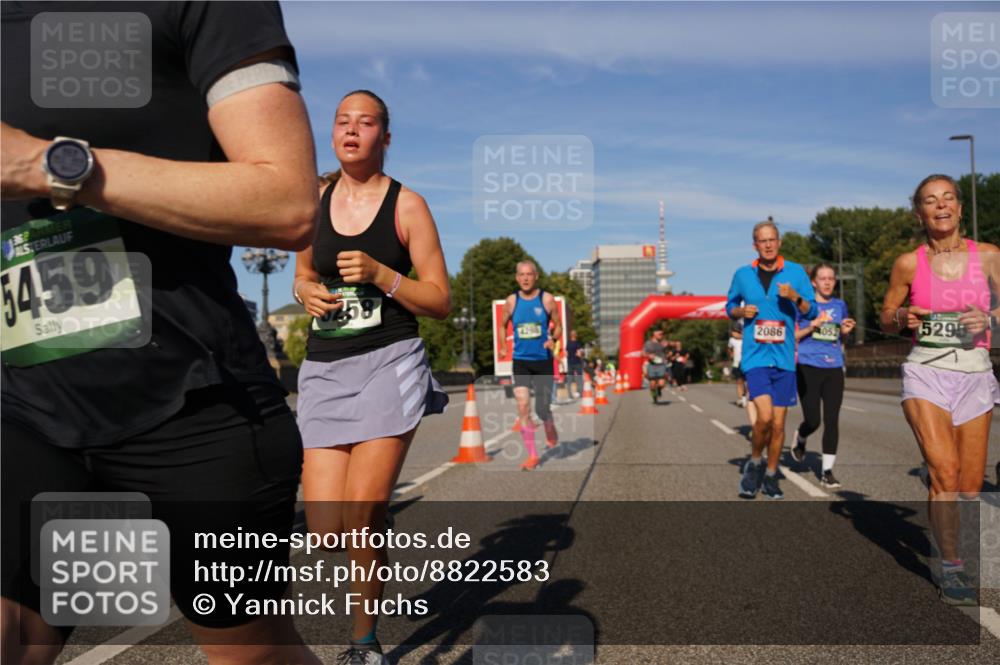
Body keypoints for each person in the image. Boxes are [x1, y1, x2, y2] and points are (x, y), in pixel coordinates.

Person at [1, 3, 322, 664]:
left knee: (253, 653)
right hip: (24, 408)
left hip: (191, 404)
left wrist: (45, 165)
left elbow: (287, 200)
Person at [293, 90, 450, 662]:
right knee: (328, 533)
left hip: (389, 360)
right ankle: (372, 522)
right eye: (342, 121)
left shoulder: (408, 206)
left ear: (386, 137)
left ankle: (364, 644)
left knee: (360, 517)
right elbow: (303, 272)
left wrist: (385, 274)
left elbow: (438, 300)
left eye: (366, 123)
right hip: (325, 367)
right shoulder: (314, 197)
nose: (352, 130)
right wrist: (305, 290)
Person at [880, 174, 999, 605]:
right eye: (931, 201)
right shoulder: (907, 264)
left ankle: (956, 550)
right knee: (944, 472)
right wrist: (903, 319)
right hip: (925, 372)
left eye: (948, 198)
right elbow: (888, 312)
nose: (941, 206)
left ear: (960, 209)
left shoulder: (988, 257)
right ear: (920, 213)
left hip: (974, 373)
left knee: (969, 486)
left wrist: (989, 320)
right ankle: (951, 568)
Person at [727, 219, 817, 500]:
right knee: (763, 417)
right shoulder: (742, 274)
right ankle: (754, 463)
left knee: (778, 425)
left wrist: (795, 297)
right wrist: (741, 313)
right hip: (755, 357)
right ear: (755, 245)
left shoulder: (795, 273)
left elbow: (812, 311)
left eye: (772, 239)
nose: (767, 244)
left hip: (784, 360)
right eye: (762, 240)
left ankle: (771, 474)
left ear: (779, 242)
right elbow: (729, 306)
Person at [791, 264, 856, 488]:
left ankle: (827, 470)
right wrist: (812, 326)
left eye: (831, 278)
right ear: (813, 282)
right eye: (823, 278)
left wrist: (846, 332)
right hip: (807, 366)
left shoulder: (840, 305)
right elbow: (794, 336)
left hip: (834, 367)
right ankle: (801, 435)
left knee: (832, 420)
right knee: (814, 420)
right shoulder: (805, 306)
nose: (828, 282)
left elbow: (841, 338)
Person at [499, 260, 563, 470]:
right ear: (517, 277)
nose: (525, 278)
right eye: (521, 275)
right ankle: (533, 456)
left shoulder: (546, 299)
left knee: (542, 409)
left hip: (543, 361)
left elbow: (559, 326)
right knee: (523, 406)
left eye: (529, 274)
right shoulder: (511, 301)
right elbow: (502, 325)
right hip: (521, 362)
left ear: (536, 276)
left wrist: (553, 339)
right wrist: (502, 346)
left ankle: (550, 428)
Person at [643, 328, 669, 403]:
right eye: (660, 334)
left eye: (662, 334)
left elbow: (667, 352)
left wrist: (667, 350)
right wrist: (649, 355)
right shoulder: (648, 343)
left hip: (661, 365)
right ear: (654, 334)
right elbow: (643, 353)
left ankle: (659, 390)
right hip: (652, 365)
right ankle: (654, 396)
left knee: (662, 384)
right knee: (652, 385)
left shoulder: (663, 343)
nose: (661, 336)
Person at [566, 329, 584, 399]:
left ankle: (570, 395)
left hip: (570, 362)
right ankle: (580, 393)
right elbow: (580, 353)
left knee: (570, 379)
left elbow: (566, 353)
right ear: (575, 335)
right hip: (576, 362)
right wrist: (580, 355)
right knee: (579, 378)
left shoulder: (568, 343)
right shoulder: (578, 343)